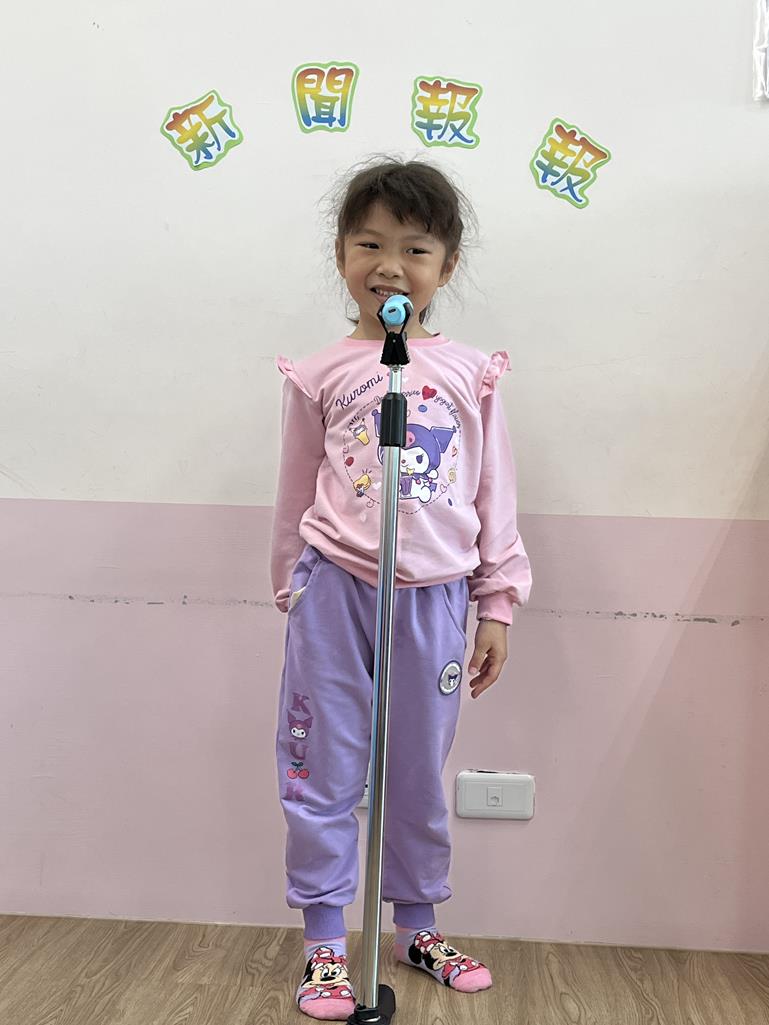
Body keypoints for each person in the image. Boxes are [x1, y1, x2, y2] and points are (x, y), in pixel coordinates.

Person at [270, 156, 532, 1020]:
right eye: (369, 244)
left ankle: (415, 924)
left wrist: (496, 602)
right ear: (341, 255)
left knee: (416, 769)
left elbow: (492, 491)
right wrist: (290, 591)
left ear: (444, 267)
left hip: (435, 596)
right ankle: (324, 939)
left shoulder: (468, 372)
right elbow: (293, 488)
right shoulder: (320, 373)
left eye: (414, 249)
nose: (389, 266)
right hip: (334, 591)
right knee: (320, 767)